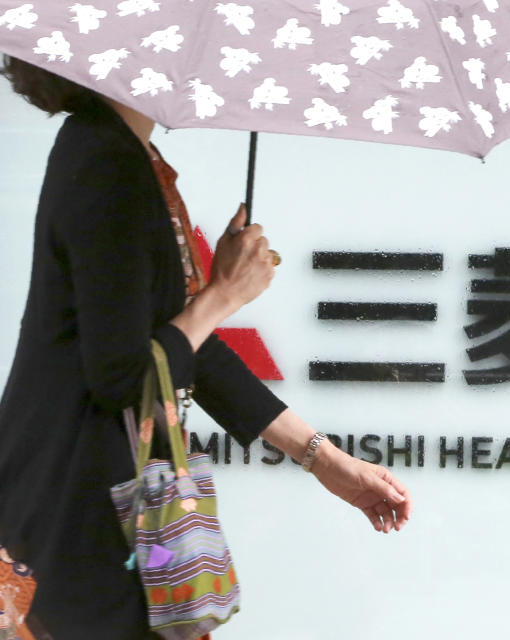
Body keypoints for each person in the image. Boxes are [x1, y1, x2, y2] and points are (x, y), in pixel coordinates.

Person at [0, 56, 413, 639]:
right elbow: (121, 375)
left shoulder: (126, 158)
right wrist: (222, 295)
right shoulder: (104, 161)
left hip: (100, 502)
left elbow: (191, 349)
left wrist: (326, 459)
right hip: (82, 508)